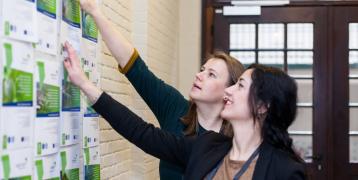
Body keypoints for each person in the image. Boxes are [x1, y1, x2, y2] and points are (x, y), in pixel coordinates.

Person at [63, 42, 306, 180]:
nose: (229, 92)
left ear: (262, 106)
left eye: (240, 86)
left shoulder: (285, 172)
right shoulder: (207, 146)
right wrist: (85, 85)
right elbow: (141, 133)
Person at [79, 0, 245, 179]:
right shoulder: (176, 109)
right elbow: (136, 69)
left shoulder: (236, 140)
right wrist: (95, 12)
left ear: (228, 91)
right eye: (202, 69)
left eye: (211, 74)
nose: (199, 75)